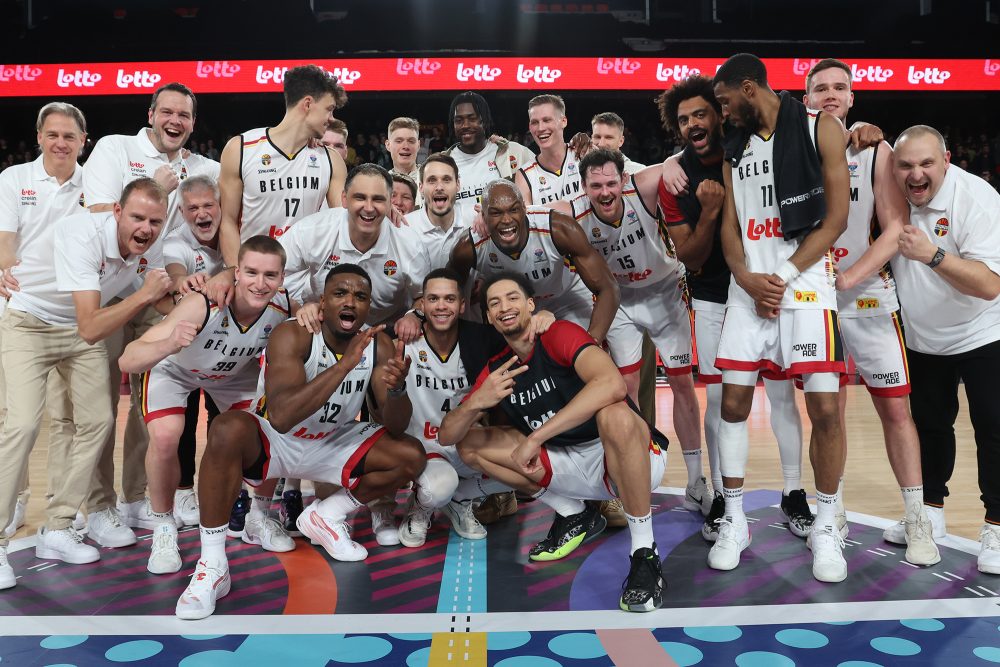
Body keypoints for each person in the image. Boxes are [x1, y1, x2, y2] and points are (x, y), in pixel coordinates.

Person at [174, 263, 425, 619]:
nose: (349, 301)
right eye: (340, 293)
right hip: (276, 440)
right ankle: (212, 566)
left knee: (410, 454)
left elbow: (396, 425)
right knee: (227, 429)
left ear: (369, 307)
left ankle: (326, 516)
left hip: (331, 441)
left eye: (360, 296)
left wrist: (398, 389)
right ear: (322, 301)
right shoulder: (294, 334)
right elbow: (282, 416)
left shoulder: (378, 344)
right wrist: (344, 366)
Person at [438, 272, 667, 612]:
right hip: (569, 464)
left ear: (530, 305)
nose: (504, 307)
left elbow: (613, 385)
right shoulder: (499, 369)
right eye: (494, 303)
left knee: (615, 415)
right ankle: (573, 513)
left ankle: (644, 554)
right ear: (488, 316)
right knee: (471, 444)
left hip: (622, 457)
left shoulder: (558, 333)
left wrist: (536, 437)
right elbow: (448, 436)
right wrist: (476, 401)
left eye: (512, 298)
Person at [711, 54, 851, 582]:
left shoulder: (822, 128)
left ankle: (827, 523)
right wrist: (746, 277)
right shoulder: (734, 146)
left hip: (807, 285)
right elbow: (732, 222)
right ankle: (735, 518)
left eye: (726, 101)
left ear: (750, 88)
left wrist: (786, 273)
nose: (723, 113)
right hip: (751, 289)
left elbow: (835, 218)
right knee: (733, 402)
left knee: (826, 411)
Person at [656, 75, 813, 542]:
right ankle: (724, 495)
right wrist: (706, 211)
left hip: (770, 289)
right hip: (714, 298)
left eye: (700, 113)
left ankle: (794, 491)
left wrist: (861, 129)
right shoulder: (677, 178)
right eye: (683, 120)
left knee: (783, 395)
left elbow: (802, 123)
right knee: (722, 399)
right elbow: (691, 257)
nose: (692, 124)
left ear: (720, 113)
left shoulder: (749, 143)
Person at [0, 178, 172, 589]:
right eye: (137, 217)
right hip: (30, 322)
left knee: (98, 422)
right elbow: (92, 325)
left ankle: (57, 526)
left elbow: (152, 294)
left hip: (77, 334)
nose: (145, 228)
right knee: (22, 425)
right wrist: (147, 294)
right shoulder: (83, 235)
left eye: (154, 221)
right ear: (115, 211)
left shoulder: (145, 249)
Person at [803, 59, 939, 566]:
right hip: (812, 302)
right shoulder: (794, 146)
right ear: (807, 96)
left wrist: (850, 276)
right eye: (822, 88)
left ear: (853, 97)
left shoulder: (875, 148)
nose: (832, 94)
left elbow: (894, 227)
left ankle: (917, 517)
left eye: (841, 87)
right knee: (826, 414)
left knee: (896, 411)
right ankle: (830, 511)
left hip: (865, 298)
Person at [82, 83, 219, 545]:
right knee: (101, 408)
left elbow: (249, 189)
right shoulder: (115, 148)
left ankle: (134, 499)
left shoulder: (203, 167)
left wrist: (322, 151)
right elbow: (98, 211)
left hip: (161, 293)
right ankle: (99, 506)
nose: (175, 120)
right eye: (167, 111)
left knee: (148, 409)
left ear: (193, 122)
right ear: (151, 113)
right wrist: (157, 189)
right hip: (111, 294)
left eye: (184, 114)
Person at [120, 236, 296, 574]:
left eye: (270, 276)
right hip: (175, 368)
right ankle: (164, 526)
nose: (260, 284)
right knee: (167, 437)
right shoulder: (204, 304)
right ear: (236, 272)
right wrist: (170, 342)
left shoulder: (286, 306)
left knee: (270, 428)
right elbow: (128, 359)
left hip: (231, 376)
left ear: (282, 278)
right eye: (251, 273)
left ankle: (258, 516)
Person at [548, 149, 708, 521]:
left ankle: (697, 481)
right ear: (583, 186)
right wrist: (481, 215)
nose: (604, 192)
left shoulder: (644, 186)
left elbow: (692, 153)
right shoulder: (570, 211)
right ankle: (633, 477)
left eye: (610, 183)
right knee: (626, 387)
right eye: (595, 186)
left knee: (683, 384)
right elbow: (522, 213)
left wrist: (671, 161)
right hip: (619, 300)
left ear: (622, 180)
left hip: (665, 291)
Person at [890, 125, 1000, 575]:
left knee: (993, 428)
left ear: (947, 161)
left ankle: (996, 524)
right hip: (922, 337)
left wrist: (932, 255)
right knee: (931, 427)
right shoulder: (890, 196)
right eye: (906, 165)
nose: (916, 174)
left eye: (926, 163)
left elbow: (990, 285)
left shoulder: (976, 199)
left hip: (981, 333)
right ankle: (929, 512)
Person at [397, 268, 554, 546]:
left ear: (461, 305)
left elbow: (521, 336)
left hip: (465, 441)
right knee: (438, 487)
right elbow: (361, 333)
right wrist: (408, 317)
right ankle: (422, 507)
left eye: (449, 299)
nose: (441, 306)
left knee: (529, 466)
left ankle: (461, 500)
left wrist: (544, 318)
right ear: (421, 305)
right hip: (424, 445)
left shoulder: (482, 338)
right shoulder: (403, 338)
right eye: (433, 299)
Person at [215, 64, 348, 266]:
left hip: (301, 279)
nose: (331, 118)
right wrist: (238, 274)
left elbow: (344, 221)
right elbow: (228, 222)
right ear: (308, 104)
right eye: (329, 110)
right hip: (253, 274)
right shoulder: (241, 148)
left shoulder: (331, 160)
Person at [162, 175, 226, 528]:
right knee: (184, 423)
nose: (202, 214)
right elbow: (174, 271)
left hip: (230, 348)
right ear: (183, 213)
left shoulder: (235, 231)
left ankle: (220, 488)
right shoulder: (177, 242)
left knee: (223, 424)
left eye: (208, 205)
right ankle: (184, 489)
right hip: (187, 343)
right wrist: (179, 281)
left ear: (220, 206)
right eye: (192, 208)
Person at [444, 91, 534, 204]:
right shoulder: (442, 162)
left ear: (485, 121)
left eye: (472, 119)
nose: (465, 125)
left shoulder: (514, 153)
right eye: (459, 120)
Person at [515, 94, 582, 205]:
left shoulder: (583, 154)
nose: (540, 128)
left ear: (563, 121)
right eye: (535, 122)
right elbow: (528, 220)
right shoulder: (525, 175)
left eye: (547, 120)